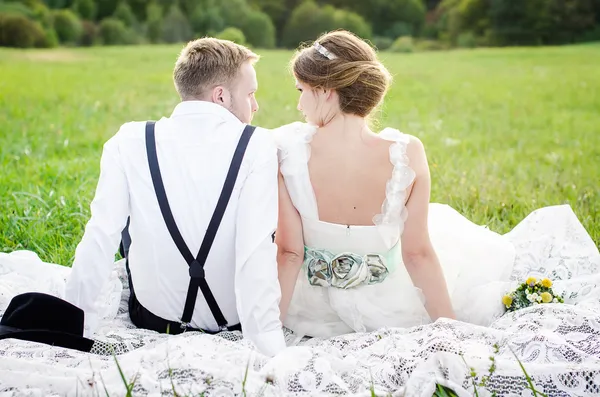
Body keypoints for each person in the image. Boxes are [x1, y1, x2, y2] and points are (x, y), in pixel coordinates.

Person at [273, 30, 518, 338]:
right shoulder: (407, 153)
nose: (299, 105)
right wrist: (454, 332)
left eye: (301, 90)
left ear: (325, 90)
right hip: (388, 308)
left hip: (311, 312)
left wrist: (270, 333)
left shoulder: (285, 150)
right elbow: (417, 254)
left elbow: (289, 253)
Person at [64, 38, 286, 357]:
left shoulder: (130, 139)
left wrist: (73, 323)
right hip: (233, 322)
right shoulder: (258, 145)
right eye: (251, 94)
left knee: (121, 223)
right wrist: (268, 346)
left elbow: (100, 236)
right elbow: (255, 254)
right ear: (221, 95)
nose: (256, 106)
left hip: (153, 319)